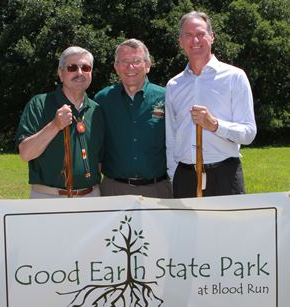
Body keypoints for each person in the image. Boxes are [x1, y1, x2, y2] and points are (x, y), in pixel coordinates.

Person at [166, 11, 257, 198]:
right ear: (180, 42)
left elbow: (248, 133)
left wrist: (215, 125)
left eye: (200, 34)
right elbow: (171, 138)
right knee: (187, 229)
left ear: (212, 37)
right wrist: (173, 174)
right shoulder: (174, 85)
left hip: (224, 176)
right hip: (185, 178)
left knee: (228, 228)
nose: (195, 40)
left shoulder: (234, 77)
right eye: (188, 35)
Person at [15, 46, 104, 198]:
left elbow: (100, 160)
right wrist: (55, 125)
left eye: (86, 67)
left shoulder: (96, 110)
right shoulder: (40, 104)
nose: (80, 73)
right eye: (72, 67)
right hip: (48, 198)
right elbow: (25, 153)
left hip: (91, 196)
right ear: (60, 73)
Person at [94, 39, 172, 198]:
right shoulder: (102, 99)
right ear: (116, 67)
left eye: (137, 61)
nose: (130, 67)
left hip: (158, 190)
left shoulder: (166, 97)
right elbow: (95, 145)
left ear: (148, 66)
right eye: (124, 61)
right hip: (113, 190)